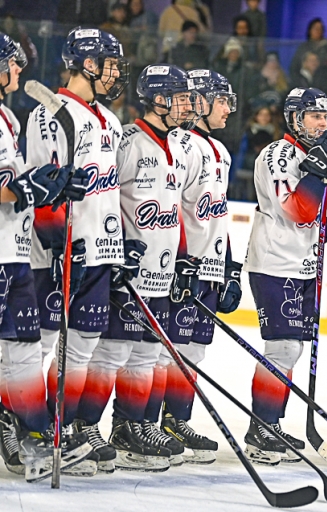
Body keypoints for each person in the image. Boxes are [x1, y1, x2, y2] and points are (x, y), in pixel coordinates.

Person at [72, 64, 202, 472]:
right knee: (112, 352)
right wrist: (116, 253)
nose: (188, 104)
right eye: (179, 97)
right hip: (130, 270)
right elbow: (108, 197)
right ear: (158, 100)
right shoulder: (128, 141)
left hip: (162, 271)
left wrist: (183, 258)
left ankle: (133, 426)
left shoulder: (181, 145)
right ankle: (85, 425)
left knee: (146, 354)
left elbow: (176, 210)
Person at [26, 27, 129, 477]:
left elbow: (113, 194)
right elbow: (44, 186)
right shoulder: (51, 113)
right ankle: (23, 426)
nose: (115, 72)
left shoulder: (110, 119)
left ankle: (62, 427)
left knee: (82, 347)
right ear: (87, 63)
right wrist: (57, 245)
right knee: (41, 344)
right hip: (60, 252)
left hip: (102, 251)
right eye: (109, 63)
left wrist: (121, 247)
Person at [0, 32, 93, 482]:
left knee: (22, 351)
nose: (19, 70)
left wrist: (50, 183)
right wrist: (20, 187)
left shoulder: (7, 119)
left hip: (14, 253)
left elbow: (14, 185)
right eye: (12, 63)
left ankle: (35, 439)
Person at [242, 87, 327, 464]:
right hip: (274, 263)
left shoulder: (315, 155)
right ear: (295, 118)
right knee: (282, 347)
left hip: (300, 264)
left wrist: (321, 222)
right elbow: (297, 209)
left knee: (292, 348)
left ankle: (271, 424)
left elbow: (310, 210)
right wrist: (312, 203)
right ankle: (261, 429)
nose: (322, 123)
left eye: (326, 116)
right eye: (315, 115)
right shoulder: (278, 155)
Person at [152, 69, 239, 464]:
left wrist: (229, 265)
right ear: (201, 102)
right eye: (222, 100)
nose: (228, 109)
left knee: (192, 351)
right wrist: (183, 261)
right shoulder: (182, 144)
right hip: (183, 265)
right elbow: (173, 209)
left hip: (209, 267)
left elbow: (217, 214)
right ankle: (148, 422)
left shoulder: (220, 150)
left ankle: (176, 418)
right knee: (164, 351)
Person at [289, 19, 326, 87]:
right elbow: (294, 68)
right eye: (316, 28)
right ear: (310, 30)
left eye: (320, 28)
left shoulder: (326, 47)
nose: (318, 31)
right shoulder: (303, 48)